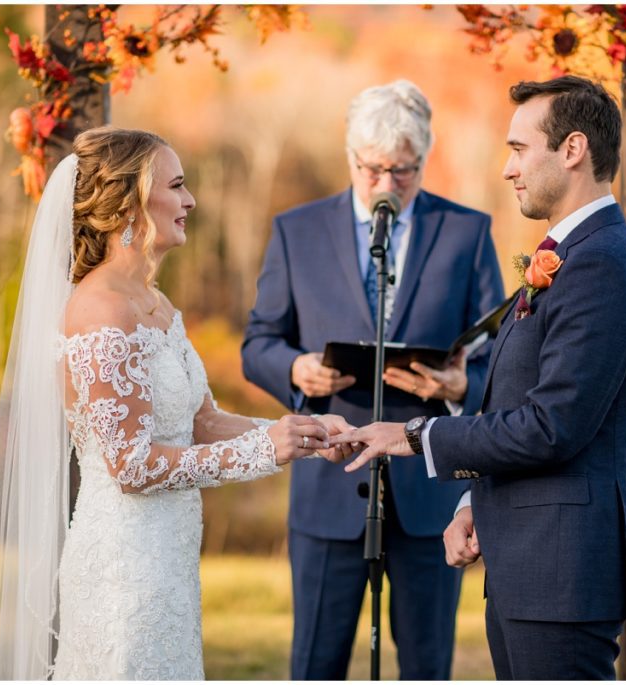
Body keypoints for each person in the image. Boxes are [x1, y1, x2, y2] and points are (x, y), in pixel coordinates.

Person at [0, 126, 352, 680]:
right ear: (129, 202)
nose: (191, 200)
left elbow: (201, 421)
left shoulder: (153, 300)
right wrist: (267, 452)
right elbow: (131, 466)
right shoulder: (101, 310)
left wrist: (303, 435)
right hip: (123, 567)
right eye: (176, 185)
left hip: (168, 562)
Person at [336, 75, 626, 680]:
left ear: (572, 149)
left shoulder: (603, 265)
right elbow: (523, 400)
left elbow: (550, 426)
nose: (508, 169)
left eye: (518, 148)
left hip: (562, 575)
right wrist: (476, 503)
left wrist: (413, 436)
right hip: (530, 564)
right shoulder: (572, 256)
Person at [241, 80, 505, 679]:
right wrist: (295, 368)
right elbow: (258, 342)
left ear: (424, 159)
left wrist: (461, 388)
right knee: (316, 665)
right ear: (350, 157)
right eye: (374, 169)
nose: (387, 184)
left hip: (427, 496)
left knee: (426, 667)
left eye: (404, 171)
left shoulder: (466, 232)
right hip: (328, 489)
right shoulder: (297, 230)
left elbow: (502, 359)